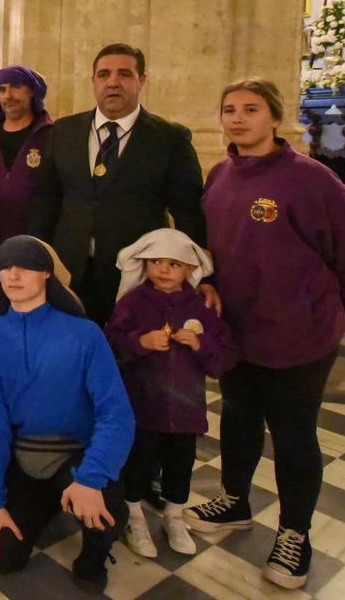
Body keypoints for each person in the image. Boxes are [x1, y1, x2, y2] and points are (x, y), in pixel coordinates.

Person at [184, 78, 345, 590]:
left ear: (275, 117)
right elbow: (213, 246)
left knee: (293, 435)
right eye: (229, 109)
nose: (237, 118)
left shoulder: (311, 180)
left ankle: (295, 532)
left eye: (251, 109)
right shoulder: (220, 174)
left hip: (299, 336)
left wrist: (326, 312)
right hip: (238, 329)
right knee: (238, 417)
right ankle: (234, 500)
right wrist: (207, 283)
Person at [0, 237, 134, 594]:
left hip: (76, 456)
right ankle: (47, 506)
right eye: (4, 266)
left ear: (47, 273)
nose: (13, 274)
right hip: (25, 457)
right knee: (1, 558)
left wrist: (90, 478)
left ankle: (92, 559)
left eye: (25, 265)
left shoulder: (85, 334)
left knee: (107, 515)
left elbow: (116, 414)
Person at [29, 43, 208, 326]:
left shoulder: (170, 139)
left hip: (137, 276)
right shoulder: (63, 131)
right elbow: (46, 202)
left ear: (142, 80)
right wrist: (34, 258)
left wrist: (200, 276)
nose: (113, 82)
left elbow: (188, 213)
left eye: (124, 74)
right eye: (104, 75)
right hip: (70, 269)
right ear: (93, 81)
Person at [104, 229, 232, 559]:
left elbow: (222, 356)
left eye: (174, 264)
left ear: (190, 268)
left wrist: (200, 344)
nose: (163, 269)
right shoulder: (133, 302)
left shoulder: (200, 306)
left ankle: (174, 516)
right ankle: (133, 516)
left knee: (180, 463)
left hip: (186, 411)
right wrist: (140, 342)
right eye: (156, 261)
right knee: (138, 462)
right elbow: (112, 342)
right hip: (143, 407)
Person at [0, 66, 53, 250]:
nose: (8, 95)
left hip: (39, 242)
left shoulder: (52, 135)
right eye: (2, 90)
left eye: (16, 87)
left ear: (32, 91)